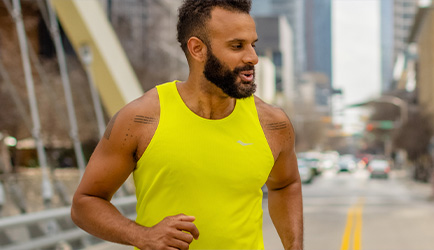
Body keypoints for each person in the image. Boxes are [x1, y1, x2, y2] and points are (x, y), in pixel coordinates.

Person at [70, 1, 304, 249]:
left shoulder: (273, 124)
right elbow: (85, 203)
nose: (253, 58)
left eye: (252, 45)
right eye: (237, 46)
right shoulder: (140, 119)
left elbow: (285, 184)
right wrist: (142, 235)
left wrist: (294, 247)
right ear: (197, 49)